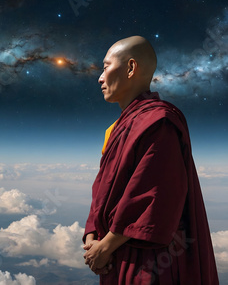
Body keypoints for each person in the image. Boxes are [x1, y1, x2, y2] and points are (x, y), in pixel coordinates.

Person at [82, 36, 219, 284]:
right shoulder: (115, 129)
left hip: (150, 260)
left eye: (105, 67)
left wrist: (106, 246)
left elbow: (154, 195)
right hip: (115, 251)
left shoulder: (158, 122)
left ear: (131, 68)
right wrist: (92, 233)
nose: (100, 78)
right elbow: (102, 188)